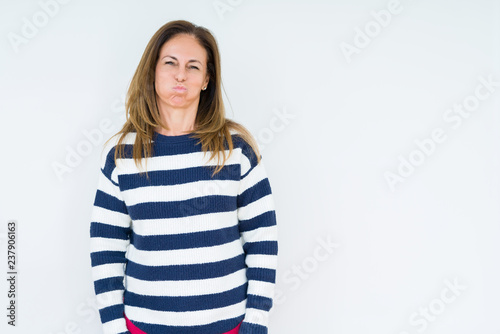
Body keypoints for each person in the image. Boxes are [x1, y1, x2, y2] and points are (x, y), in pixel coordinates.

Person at [89, 19, 278, 334]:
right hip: (145, 326)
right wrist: (114, 327)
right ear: (153, 71)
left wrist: (254, 323)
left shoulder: (235, 149)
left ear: (206, 79)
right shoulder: (122, 155)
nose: (180, 74)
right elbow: (105, 246)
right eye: (170, 63)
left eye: (193, 67)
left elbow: (262, 238)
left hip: (228, 325)